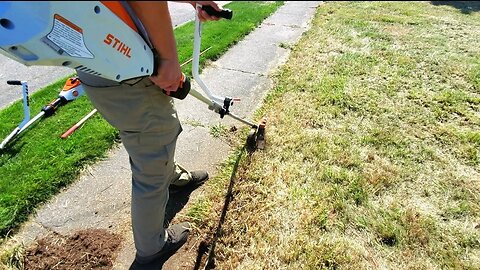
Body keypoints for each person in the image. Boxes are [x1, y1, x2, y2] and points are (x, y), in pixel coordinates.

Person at [76, 1, 223, 269]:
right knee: (153, 149)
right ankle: (152, 247)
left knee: (151, 135)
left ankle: (173, 178)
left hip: (101, 61)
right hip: (127, 64)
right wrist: (168, 59)